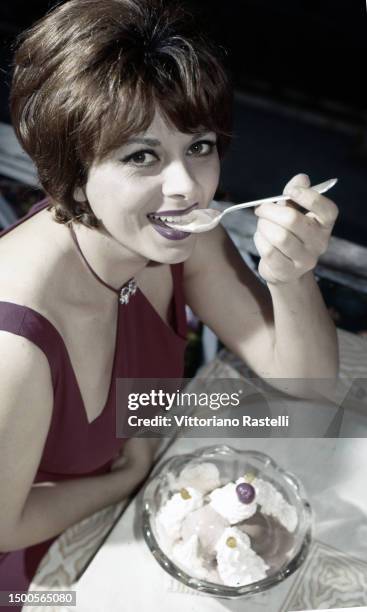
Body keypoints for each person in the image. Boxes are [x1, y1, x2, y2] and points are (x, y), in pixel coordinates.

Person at [0, 0, 339, 602]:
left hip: (164, 512)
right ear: (71, 173)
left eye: (200, 146)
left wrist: (293, 275)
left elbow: (306, 381)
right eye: (141, 156)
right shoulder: (14, 344)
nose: (187, 187)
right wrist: (129, 479)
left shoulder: (179, 234)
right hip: (39, 577)